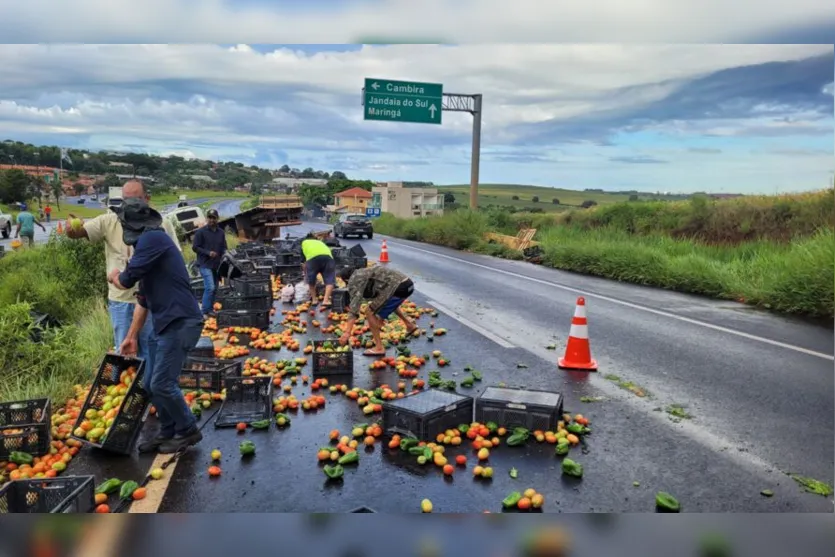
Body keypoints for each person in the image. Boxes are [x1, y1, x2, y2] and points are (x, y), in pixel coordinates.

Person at [109, 197, 204, 454]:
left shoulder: (153, 239)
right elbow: (143, 300)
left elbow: (126, 281)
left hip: (181, 321)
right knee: (151, 383)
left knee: (162, 383)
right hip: (166, 325)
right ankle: (167, 431)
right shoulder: (148, 251)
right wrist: (131, 336)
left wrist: (115, 276)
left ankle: (187, 429)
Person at [64, 180, 180, 374]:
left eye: (136, 199)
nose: (131, 204)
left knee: (150, 348)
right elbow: (82, 231)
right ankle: (125, 394)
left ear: (147, 199)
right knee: (124, 351)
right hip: (121, 300)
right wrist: (72, 229)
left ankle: (147, 393)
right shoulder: (109, 220)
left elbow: (174, 258)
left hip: (152, 300)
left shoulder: (161, 223)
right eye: (126, 199)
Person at [338, 265, 418, 356]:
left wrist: (347, 332)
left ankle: (379, 348)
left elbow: (354, 308)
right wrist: (380, 318)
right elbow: (379, 294)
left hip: (398, 288)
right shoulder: (363, 272)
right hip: (408, 285)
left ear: (346, 279)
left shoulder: (354, 280)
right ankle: (409, 325)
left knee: (369, 312)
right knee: (385, 300)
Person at [191, 208, 227, 318]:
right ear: (207, 218)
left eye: (214, 218)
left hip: (216, 265)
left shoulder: (221, 233)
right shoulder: (201, 232)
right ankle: (204, 311)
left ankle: (210, 309)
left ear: (217, 219)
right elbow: (195, 247)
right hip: (204, 264)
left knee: (215, 288)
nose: (211, 220)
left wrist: (225, 254)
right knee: (210, 287)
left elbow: (224, 247)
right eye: (210, 218)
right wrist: (208, 252)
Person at [300, 233, 335, 307]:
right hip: (328, 258)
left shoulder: (304, 243)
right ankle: (325, 300)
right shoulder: (320, 242)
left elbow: (303, 263)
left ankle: (314, 300)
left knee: (311, 281)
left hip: (313, 259)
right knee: (330, 280)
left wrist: (305, 274)